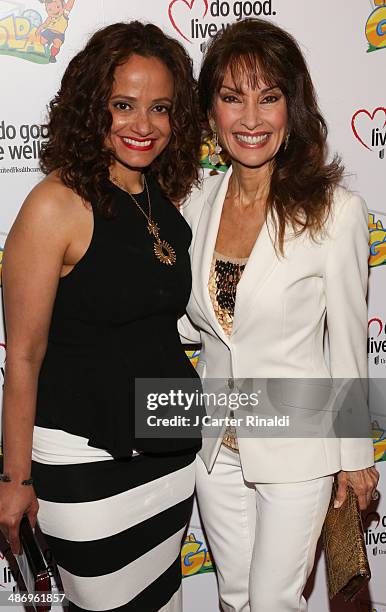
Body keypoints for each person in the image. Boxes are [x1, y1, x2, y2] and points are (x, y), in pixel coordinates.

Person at [179, 18, 380, 612]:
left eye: (268, 98)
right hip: (215, 447)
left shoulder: (335, 213)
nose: (250, 118)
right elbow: (199, 321)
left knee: (273, 602)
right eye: (232, 97)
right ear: (210, 113)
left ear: (292, 109)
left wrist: (357, 462)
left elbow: (348, 343)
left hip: (298, 448)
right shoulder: (197, 202)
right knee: (234, 597)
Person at [0, 21, 202, 612]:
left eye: (160, 108)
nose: (144, 125)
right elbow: (25, 357)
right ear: (93, 108)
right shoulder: (54, 204)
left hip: (169, 452)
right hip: (87, 464)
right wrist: (15, 480)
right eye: (124, 105)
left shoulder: (160, 200)